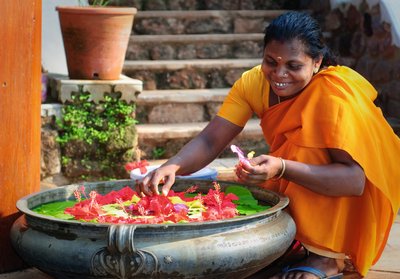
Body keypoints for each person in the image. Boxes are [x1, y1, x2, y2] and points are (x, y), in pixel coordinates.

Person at [140, 11, 400, 278]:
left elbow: (354, 180)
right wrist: (172, 166)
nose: (279, 74)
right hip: (321, 176)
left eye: (293, 65)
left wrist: (282, 167)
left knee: (301, 148)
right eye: (271, 62)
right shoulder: (254, 83)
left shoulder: (332, 94)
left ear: (316, 62)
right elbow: (210, 140)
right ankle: (300, 243)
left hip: (368, 183)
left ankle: (328, 257)